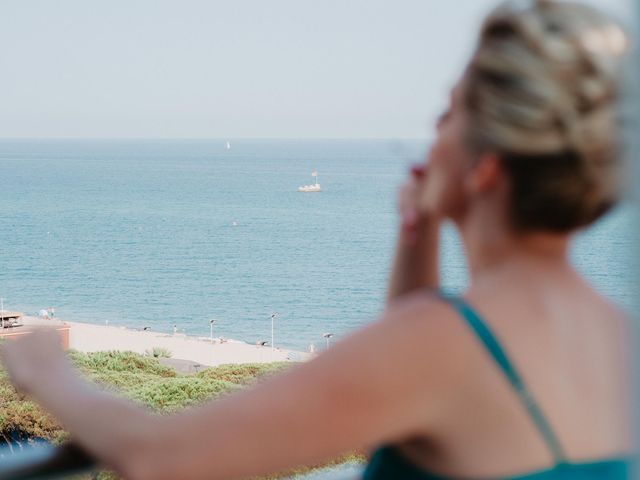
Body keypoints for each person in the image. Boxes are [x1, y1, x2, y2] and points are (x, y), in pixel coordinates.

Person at [0, 1, 633, 479]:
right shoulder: (615, 335)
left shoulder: (444, 343)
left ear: (486, 166)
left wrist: (51, 375)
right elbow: (415, 399)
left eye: (446, 114)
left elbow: (164, 458)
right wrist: (418, 233)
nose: (430, 134)